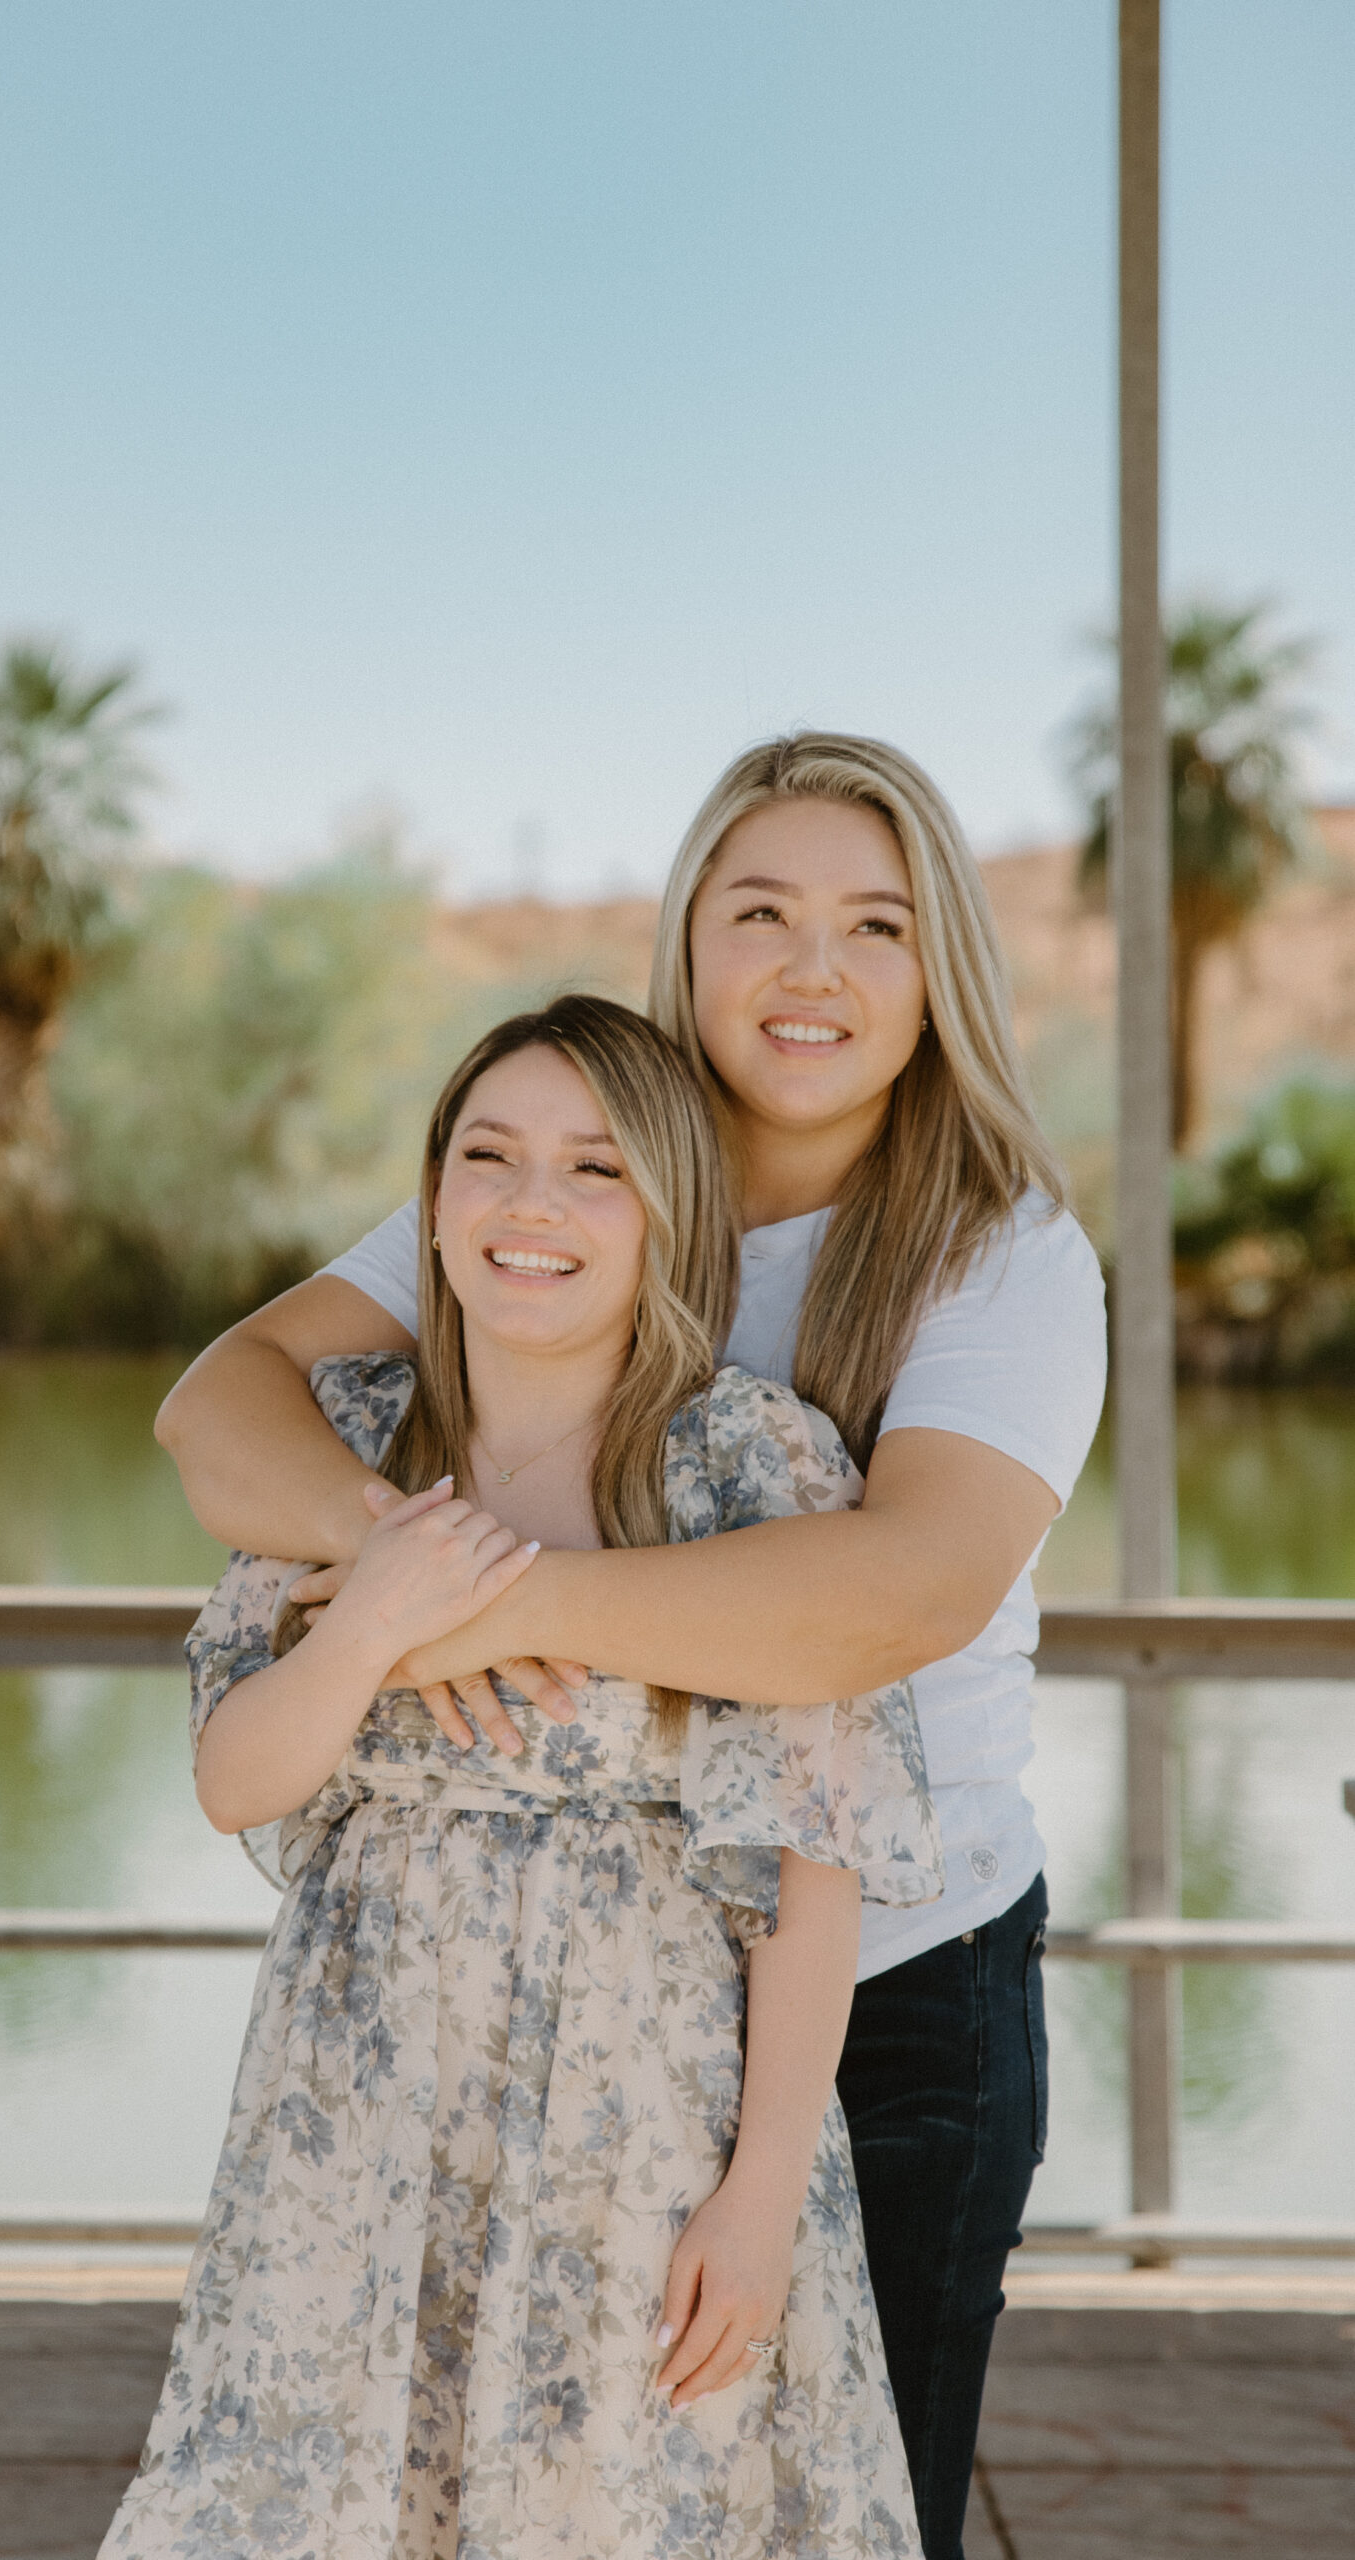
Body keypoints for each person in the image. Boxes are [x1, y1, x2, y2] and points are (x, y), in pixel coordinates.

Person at [155, 734, 1109, 2560]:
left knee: (817, 2506)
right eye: (759, 912)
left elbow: (890, 1600)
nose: (808, 969)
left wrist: (485, 1607)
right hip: (509, 2025)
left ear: (939, 979)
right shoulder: (564, 1166)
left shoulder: (1001, 1252)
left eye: (873, 927)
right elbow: (224, 1403)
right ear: (689, 939)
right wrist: (391, 1562)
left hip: (886, 1985)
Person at [101, 995, 944, 2560]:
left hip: (646, 2129)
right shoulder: (342, 1445)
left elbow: (808, 1875)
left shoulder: (751, 1465)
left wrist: (759, 2197)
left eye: (594, 1169)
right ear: (430, 1202)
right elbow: (235, 1780)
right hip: (353, 2115)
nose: (531, 1204)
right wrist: (375, 1622)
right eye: (487, 1156)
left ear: (668, 1213)